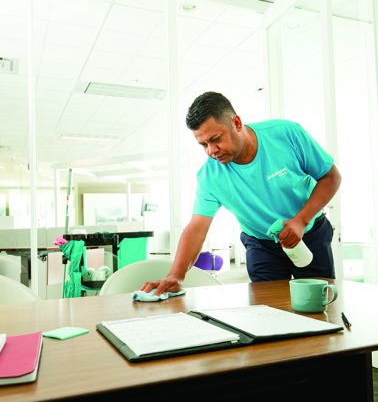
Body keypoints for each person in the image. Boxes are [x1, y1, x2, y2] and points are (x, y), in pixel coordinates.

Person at [140, 91, 341, 295]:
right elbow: (197, 228)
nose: (211, 151)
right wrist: (176, 275)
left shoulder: (286, 134)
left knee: (318, 305)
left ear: (236, 123)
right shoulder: (210, 176)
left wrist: (301, 220)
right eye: (203, 144)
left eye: (215, 139)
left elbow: (331, 178)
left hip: (310, 232)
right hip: (262, 244)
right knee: (269, 312)